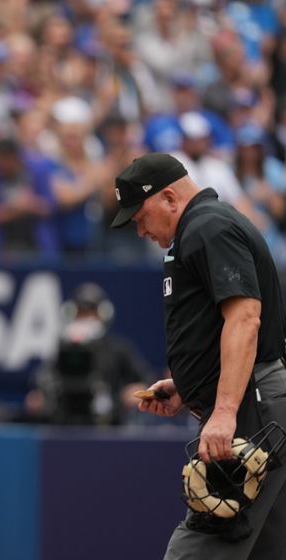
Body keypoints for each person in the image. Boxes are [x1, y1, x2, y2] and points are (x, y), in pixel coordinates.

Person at [110, 152, 286, 559]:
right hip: (258, 398)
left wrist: (225, 409)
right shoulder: (205, 226)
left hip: (250, 408)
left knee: (200, 546)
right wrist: (189, 386)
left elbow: (245, 319)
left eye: (140, 217)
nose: (140, 230)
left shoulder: (208, 226)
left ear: (169, 198)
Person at [24, 282, 153, 426]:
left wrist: (137, 390)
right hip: (64, 422)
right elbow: (42, 377)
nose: (86, 319)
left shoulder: (118, 349)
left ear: (103, 314)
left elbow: (147, 379)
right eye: (81, 313)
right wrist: (40, 396)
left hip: (108, 424)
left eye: (91, 313)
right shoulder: (63, 347)